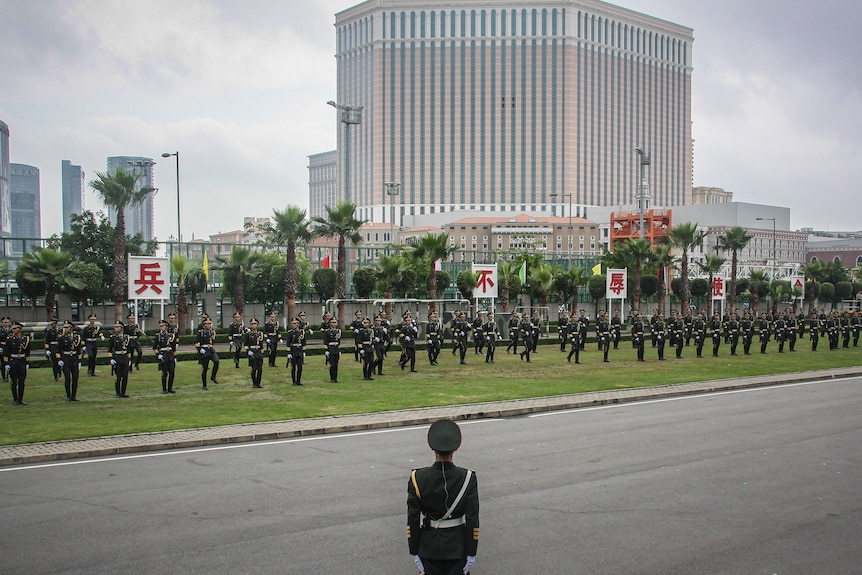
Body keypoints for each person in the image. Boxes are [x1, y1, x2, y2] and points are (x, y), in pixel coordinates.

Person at [407, 419, 479, 575]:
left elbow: (413, 519)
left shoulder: (417, 478)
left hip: (428, 549)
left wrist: (414, 551)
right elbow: (472, 518)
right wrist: (471, 552)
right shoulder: (468, 478)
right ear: (456, 447)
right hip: (458, 549)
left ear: (433, 448)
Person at [5, 321, 31, 405]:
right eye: (13, 328)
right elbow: (6, 352)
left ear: (20, 329)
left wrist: (27, 362)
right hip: (13, 361)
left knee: (22, 381)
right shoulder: (9, 339)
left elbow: (27, 352)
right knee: (14, 381)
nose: (14, 330)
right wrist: (6, 364)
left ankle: (21, 398)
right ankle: (15, 399)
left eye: (16, 328)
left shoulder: (25, 339)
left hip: (22, 361)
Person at [57, 320, 83, 401]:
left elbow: (79, 350)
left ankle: (74, 396)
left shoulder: (77, 337)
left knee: (75, 379)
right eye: (64, 327)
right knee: (67, 379)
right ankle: (68, 395)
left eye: (66, 327)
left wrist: (79, 361)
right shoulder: (62, 338)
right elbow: (58, 350)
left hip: (74, 359)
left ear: (71, 328)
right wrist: (59, 359)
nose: (65, 329)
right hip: (66, 359)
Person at [193, 317, 220, 389]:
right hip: (204, 351)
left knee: (216, 361)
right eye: (207, 324)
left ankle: (213, 377)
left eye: (210, 323)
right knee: (205, 368)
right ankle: (204, 385)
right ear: (204, 325)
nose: (209, 325)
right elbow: (195, 342)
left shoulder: (212, 332)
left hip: (210, 350)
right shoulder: (201, 333)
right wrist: (200, 349)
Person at [153, 319, 178, 394]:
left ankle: (170, 388)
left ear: (166, 327)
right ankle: (164, 389)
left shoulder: (171, 335)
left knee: (172, 372)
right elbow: (154, 347)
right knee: (164, 373)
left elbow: (173, 347)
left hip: (170, 355)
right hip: (163, 355)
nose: (161, 328)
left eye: (163, 326)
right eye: (160, 326)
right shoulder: (158, 336)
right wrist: (158, 355)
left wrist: (175, 357)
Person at [108, 321, 132, 398]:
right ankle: (118, 393)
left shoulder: (126, 337)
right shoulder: (113, 338)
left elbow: (129, 349)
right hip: (117, 358)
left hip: (124, 357)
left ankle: (123, 392)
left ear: (121, 328)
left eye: (117, 327)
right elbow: (110, 349)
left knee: (125, 376)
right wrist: (111, 358)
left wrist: (129, 359)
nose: (116, 328)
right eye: (115, 327)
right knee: (118, 377)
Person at [244, 318, 265, 388]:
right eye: (252, 324)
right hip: (252, 352)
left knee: (260, 369)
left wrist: (262, 353)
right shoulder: (248, 334)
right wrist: (248, 351)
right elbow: (245, 345)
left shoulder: (260, 334)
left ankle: (258, 383)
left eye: (255, 324)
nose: (253, 325)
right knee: (254, 369)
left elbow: (261, 345)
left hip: (258, 352)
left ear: (257, 325)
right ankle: (254, 383)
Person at [285, 318, 306, 385]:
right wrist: (288, 353)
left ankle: (298, 381)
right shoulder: (290, 333)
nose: (293, 325)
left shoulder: (301, 332)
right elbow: (288, 343)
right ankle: (294, 381)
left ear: (298, 324)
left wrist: (304, 351)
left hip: (299, 350)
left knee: (300, 367)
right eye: (293, 323)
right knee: (293, 367)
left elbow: (304, 342)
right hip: (293, 350)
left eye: (295, 323)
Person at [322, 317, 342, 382]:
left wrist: (339, 350)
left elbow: (338, 342)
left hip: (336, 349)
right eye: (333, 322)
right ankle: (332, 378)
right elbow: (325, 342)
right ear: (330, 323)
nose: (334, 324)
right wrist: (326, 351)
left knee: (336, 365)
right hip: (330, 349)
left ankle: (335, 378)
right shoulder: (327, 332)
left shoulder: (338, 331)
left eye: (335, 322)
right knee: (332, 364)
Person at [0, 316, 11, 382]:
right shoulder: (1, 331)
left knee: (9, 362)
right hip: (2, 347)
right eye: (4, 322)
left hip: (9, 348)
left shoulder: (11, 330)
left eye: (7, 322)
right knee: (3, 363)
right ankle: (4, 377)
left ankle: (8, 376)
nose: (5, 324)